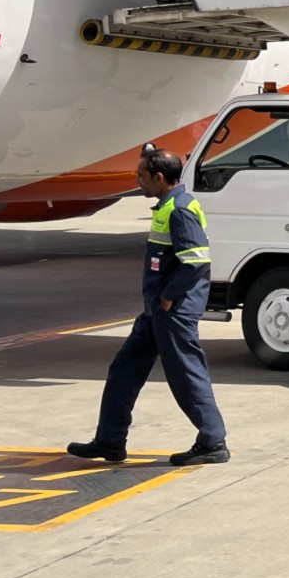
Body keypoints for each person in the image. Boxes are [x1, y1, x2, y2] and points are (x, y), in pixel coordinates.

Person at [66, 148, 232, 468]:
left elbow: (196, 262)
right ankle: (111, 439)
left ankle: (213, 440)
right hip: (157, 309)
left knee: (185, 375)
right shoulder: (168, 205)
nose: (136, 181)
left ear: (158, 178)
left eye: (141, 176)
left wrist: (169, 296)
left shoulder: (180, 209)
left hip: (174, 310)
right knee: (124, 369)